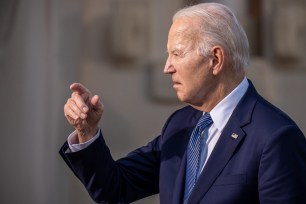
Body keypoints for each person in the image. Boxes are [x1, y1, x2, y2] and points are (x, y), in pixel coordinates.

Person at [59, 3, 306, 204]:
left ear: (216, 59)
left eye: (176, 54)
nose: (167, 67)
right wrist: (87, 131)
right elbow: (114, 188)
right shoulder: (178, 126)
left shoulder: (276, 137)